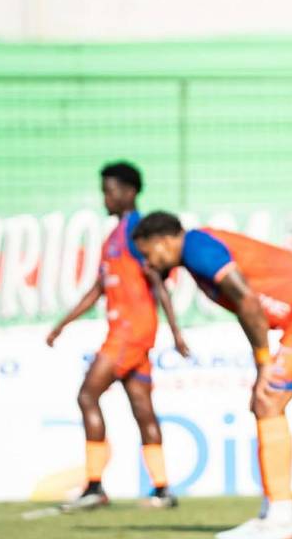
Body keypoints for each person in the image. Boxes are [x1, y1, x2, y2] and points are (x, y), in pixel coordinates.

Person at [131, 212, 292, 539]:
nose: (148, 262)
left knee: (268, 400)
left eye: (148, 254)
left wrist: (263, 362)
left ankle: (281, 517)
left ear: (164, 241)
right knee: (268, 404)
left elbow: (246, 300)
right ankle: (273, 511)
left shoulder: (196, 248)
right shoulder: (195, 252)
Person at [47, 162, 187, 511]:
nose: (105, 197)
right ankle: (162, 489)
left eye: (109, 190)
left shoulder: (134, 230)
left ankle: (94, 485)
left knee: (86, 395)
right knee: (143, 409)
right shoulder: (114, 235)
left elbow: (156, 280)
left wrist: (176, 331)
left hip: (128, 332)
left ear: (129, 192)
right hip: (132, 334)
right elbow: (98, 288)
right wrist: (63, 323)